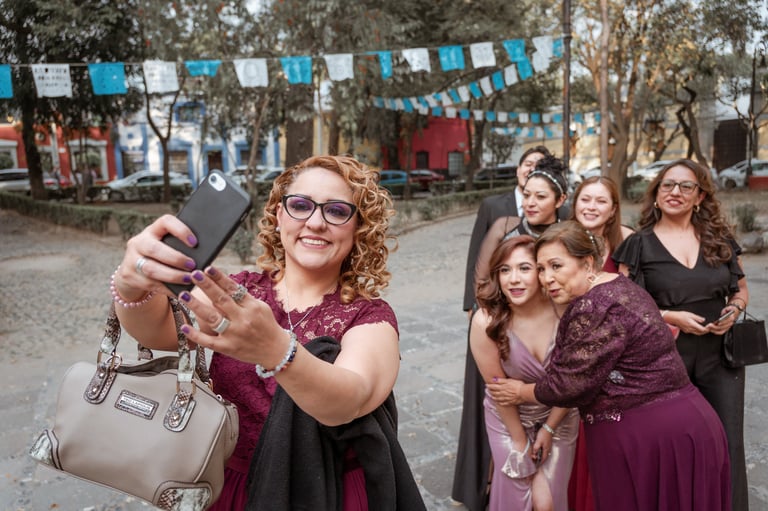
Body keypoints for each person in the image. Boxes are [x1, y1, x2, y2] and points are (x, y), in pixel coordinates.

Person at [109, 155, 425, 510]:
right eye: (301, 205)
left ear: (358, 228)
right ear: (279, 215)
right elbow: (159, 333)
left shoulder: (370, 316)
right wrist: (130, 286)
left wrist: (276, 351)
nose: (315, 222)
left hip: (327, 494)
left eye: (337, 211)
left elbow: (348, 401)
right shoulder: (238, 291)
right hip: (231, 489)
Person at [506, 220, 731, 511]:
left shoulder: (592, 306)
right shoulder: (620, 286)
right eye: (541, 268)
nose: (547, 278)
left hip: (652, 439)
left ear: (588, 263)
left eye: (556, 266)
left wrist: (520, 392)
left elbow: (567, 385)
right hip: (687, 426)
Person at [612, 158, 749, 511]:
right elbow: (625, 305)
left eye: (686, 186)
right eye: (668, 185)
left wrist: (733, 311)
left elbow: (740, 291)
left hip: (721, 355)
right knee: (672, 442)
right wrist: (668, 316)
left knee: (728, 440)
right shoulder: (638, 244)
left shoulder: (720, 240)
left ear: (699, 196)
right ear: (656, 194)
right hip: (664, 356)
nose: (676, 192)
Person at [453, 151, 568, 511]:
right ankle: (485, 482)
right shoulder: (503, 223)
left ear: (559, 199)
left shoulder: (566, 233)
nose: (531, 202)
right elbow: (481, 273)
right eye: (527, 194)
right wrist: (486, 318)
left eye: (540, 195)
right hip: (501, 328)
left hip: (553, 377)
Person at [471, 235, 578, 511]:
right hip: (508, 419)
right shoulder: (486, 321)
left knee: (547, 502)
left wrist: (549, 428)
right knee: (516, 502)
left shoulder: (565, 311)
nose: (513, 279)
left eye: (524, 268)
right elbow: (499, 391)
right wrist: (519, 441)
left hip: (559, 415)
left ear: (541, 273)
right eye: (505, 270)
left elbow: (573, 381)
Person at [566, 175, 634, 511]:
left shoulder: (628, 241)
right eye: (585, 199)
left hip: (616, 355)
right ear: (575, 203)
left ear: (613, 209)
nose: (591, 207)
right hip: (571, 347)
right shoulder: (561, 240)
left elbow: (634, 300)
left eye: (600, 201)